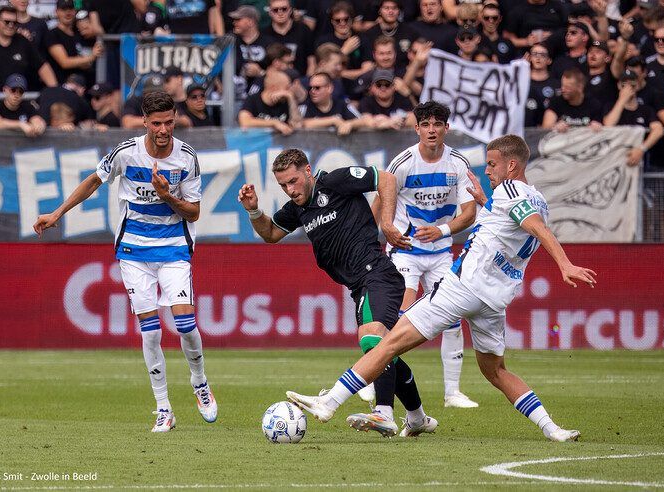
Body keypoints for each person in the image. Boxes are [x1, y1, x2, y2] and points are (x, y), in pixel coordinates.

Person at [287, 134, 597, 443]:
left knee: (387, 342)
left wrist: (565, 263)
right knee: (496, 372)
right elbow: (511, 225)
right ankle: (551, 429)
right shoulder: (536, 198)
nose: (487, 171)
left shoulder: (511, 188)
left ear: (512, 165)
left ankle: (330, 403)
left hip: (463, 287)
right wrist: (483, 201)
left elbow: (534, 227)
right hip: (494, 300)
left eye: (492, 164)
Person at [33, 91, 218, 433]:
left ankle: (200, 382)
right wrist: (58, 212)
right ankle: (164, 408)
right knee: (150, 333)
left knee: (185, 325)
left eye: (169, 122)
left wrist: (166, 195)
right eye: (157, 123)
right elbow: (93, 181)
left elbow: (194, 211)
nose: (164, 130)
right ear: (145, 122)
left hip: (174, 246)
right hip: (133, 249)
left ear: (175, 119)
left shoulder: (187, 158)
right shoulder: (126, 152)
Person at [238, 149, 435, 438]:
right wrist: (254, 209)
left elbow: (387, 179)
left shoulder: (335, 182)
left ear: (308, 171)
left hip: (377, 273)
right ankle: (417, 417)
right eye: (283, 186)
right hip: (358, 285)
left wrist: (388, 223)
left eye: (293, 181)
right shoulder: (298, 209)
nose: (290, 190)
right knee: (384, 351)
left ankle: (383, 413)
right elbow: (270, 233)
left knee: (373, 340)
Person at [372, 101, 479, 408]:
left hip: (441, 251)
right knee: (398, 316)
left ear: (447, 128)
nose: (432, 130)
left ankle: (452, 392)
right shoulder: (403, 163)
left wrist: (442, 231)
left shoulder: (457, 164)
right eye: (426, 124)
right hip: (405, 250)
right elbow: (383, 195)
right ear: (416, 128)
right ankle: (374, 376)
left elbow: (469, 212)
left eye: (438, 124)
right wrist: (383, 228)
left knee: (453, 316)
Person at [0, 6, 57, 94]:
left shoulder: (24, 42)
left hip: (17, 100)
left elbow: (42, 66)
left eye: (15, 22)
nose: (11, 25)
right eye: (7, 22)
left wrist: (55, 92)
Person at [603, 69, 664, 166]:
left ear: (638, 86)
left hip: (637, 159)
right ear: (619, 85)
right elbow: (608, 124)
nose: (628, 89)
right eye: (624, 85)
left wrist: (641, 149)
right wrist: (622, 100)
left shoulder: (646, 110)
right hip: (614, 159)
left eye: (632, 85)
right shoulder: (610, 106)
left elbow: (658, 130)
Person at [299, 71, 369, 134]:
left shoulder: (342, 104)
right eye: (310, 88)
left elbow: (362, 121)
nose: (312, 91)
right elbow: (301, 123)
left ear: (330, 88)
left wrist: (350, 124)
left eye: (317, 88)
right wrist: (333, 120)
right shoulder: (305, 106)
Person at [238, 70, 302, 134]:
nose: (289, 91)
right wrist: (274, 123)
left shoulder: (286, 100)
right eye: (287, 88)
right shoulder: (253, 99)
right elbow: (245, 122)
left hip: (282, 143)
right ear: (274, 88)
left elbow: (298, 125)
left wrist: (291, 99)